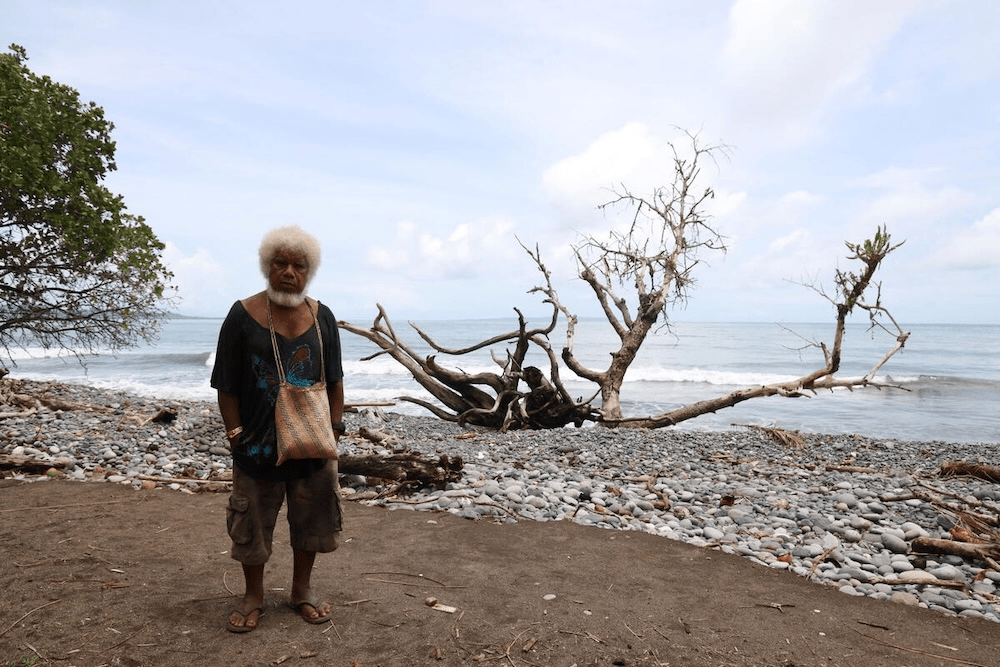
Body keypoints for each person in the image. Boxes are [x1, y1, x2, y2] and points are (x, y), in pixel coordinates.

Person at [211, 225, 345, 633]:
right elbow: (225, 385)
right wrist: (236, 437)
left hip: (313, 444)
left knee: (314, 518)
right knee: (252, 522)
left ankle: (301, 591)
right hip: (256, 447)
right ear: (267, 266)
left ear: (309, 271)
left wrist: (333, 432)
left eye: (298, 265)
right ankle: (253, 596)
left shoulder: (323, 318)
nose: (289, 271)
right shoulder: (241, 315)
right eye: (280, 263)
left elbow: (337, 381)